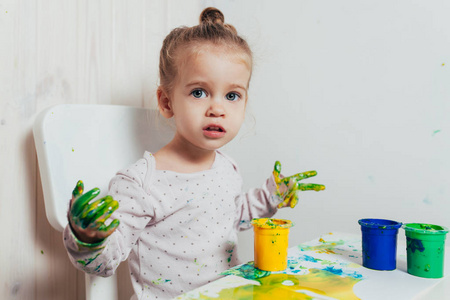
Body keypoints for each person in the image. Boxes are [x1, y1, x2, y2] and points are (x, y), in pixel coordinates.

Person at [64, 7, 325, 300]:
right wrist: (87, 238)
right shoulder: (141, 183)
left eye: (232, 95)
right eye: (199, 92)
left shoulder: (226, 168)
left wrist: (271, 195)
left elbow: (230, 218)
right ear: (166, 102)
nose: (217, 108)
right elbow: (103, 263)